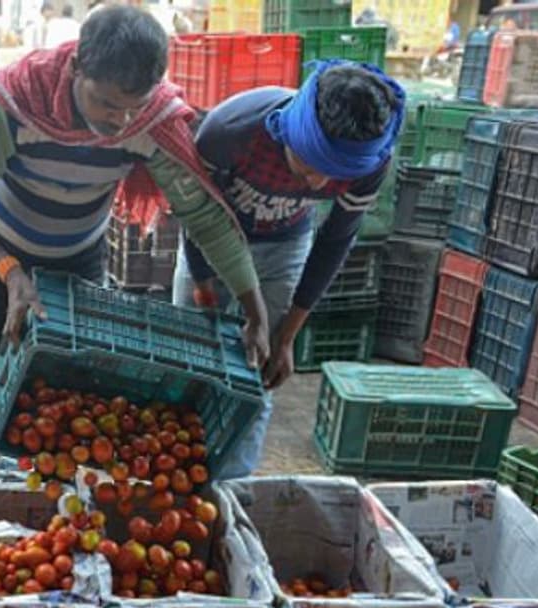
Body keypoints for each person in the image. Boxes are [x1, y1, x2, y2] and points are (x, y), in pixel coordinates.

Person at [0, 5, 270, 482]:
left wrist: (256, 312)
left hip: (77, 259)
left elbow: (204, 217)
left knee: (62, 392)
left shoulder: (151, 122)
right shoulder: (16, 101)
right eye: (107, 105)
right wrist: (10, 272)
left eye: (134, 106)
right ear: (76, 68)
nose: (121, 121)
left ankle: (55, 513)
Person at [173, 60, 405, 479]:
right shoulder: (231, 132)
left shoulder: (372, 162)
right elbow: (196, 218)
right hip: (213, 240)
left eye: (333, 175)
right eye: (310, 165)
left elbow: (335, 240)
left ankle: (232, 491)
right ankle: (175, 477)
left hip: (284, 248)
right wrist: (204, 292)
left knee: (257, 378)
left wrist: (285, 336)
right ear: (290, 130)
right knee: (187, 367)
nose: (317, 185)